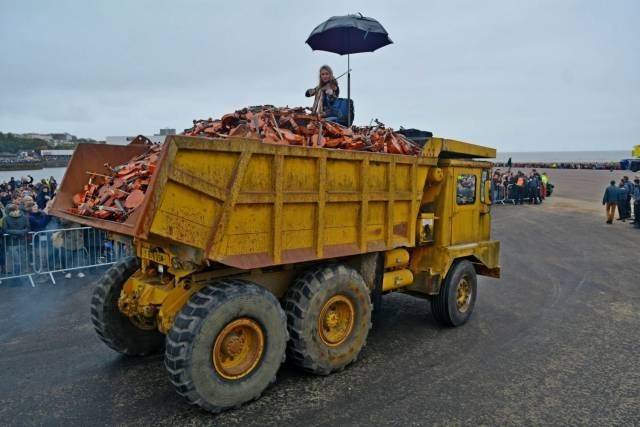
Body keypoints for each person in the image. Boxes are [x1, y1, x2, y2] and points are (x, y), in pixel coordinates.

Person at [2, 204, 30, 275]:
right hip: (19, 241)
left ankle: (18, 277)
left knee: (17, 260)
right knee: (21, 260)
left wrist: (15, 232)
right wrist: (20, 232)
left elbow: (5, 230)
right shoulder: (24, 217)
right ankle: (21, 276)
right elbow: (27, 228)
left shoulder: (6, 218)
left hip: (14, 242)